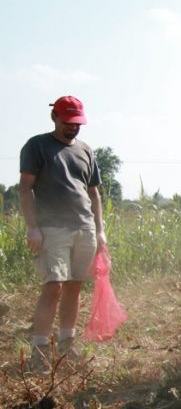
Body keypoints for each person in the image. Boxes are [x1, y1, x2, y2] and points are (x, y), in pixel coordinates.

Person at [19, 96, 106, 370]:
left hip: (84, 227)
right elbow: (25, 188)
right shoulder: (37, 146)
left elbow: (93, 193)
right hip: (52, 228)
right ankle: (40, 351)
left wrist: (100, 231)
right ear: (54, 117)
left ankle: (67, 346)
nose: (73, 128)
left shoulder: (85, 150)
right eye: (68, 122)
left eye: (77, 123)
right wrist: (33, 227)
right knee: (53, 286)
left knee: (74, 287)